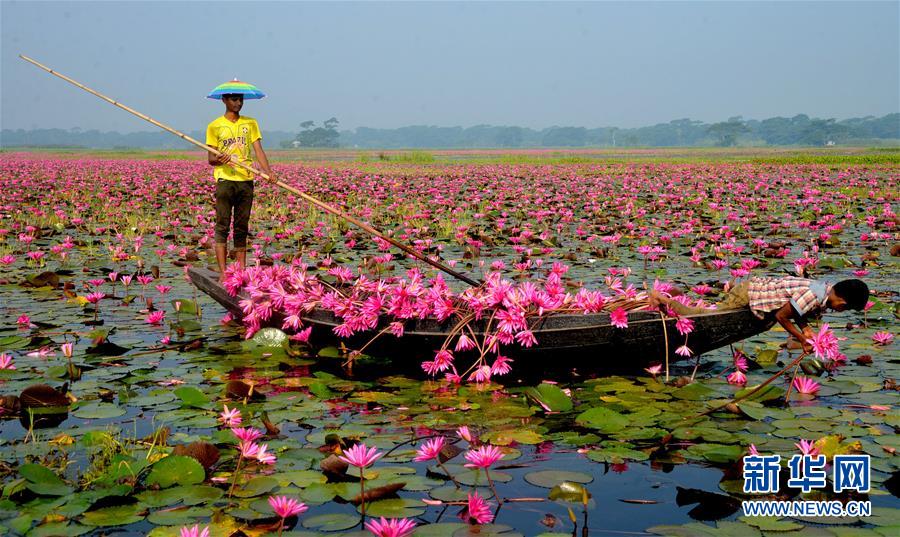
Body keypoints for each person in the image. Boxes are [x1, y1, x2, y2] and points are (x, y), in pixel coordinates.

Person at [650, 277, 869, 354]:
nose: (840, 311)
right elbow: (783, 316)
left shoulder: (823, 290)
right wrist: (802, 339)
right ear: (842, 302)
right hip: (749, 293)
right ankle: (664, 300)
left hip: (758, 293)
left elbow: (798, 310)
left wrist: (805, 328)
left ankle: (666, 303)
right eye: (845, 309)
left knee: (708, 316)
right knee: (705, 317)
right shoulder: (815, 294)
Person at [206, 85, 275, 282]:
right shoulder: (215, 126)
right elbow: (211, 158)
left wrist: (268, 172)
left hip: (246, 179)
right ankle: (223, 273)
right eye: (234, 99)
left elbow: (258, 150)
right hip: (225, 180)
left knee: (241, 226)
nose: (238, 103)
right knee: (222, 225)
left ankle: (241, 272)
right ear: (224, 100)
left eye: (240, 99)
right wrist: (222, 159)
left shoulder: (250, 123)